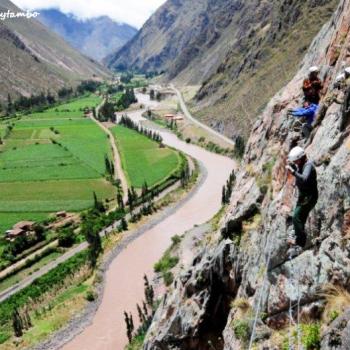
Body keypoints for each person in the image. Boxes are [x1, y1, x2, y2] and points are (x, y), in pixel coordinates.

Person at [286, 146, 318, 256]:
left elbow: (304, 178)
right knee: (300, 218)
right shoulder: (300, 164)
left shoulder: (308, 165)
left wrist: (294, 172)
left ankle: (301, 241)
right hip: (303, 196)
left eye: (296, 160)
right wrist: (292, 166)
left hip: (309, 196)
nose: (295, 162)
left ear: (301, 158)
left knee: (296, 217)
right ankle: (298, 242)